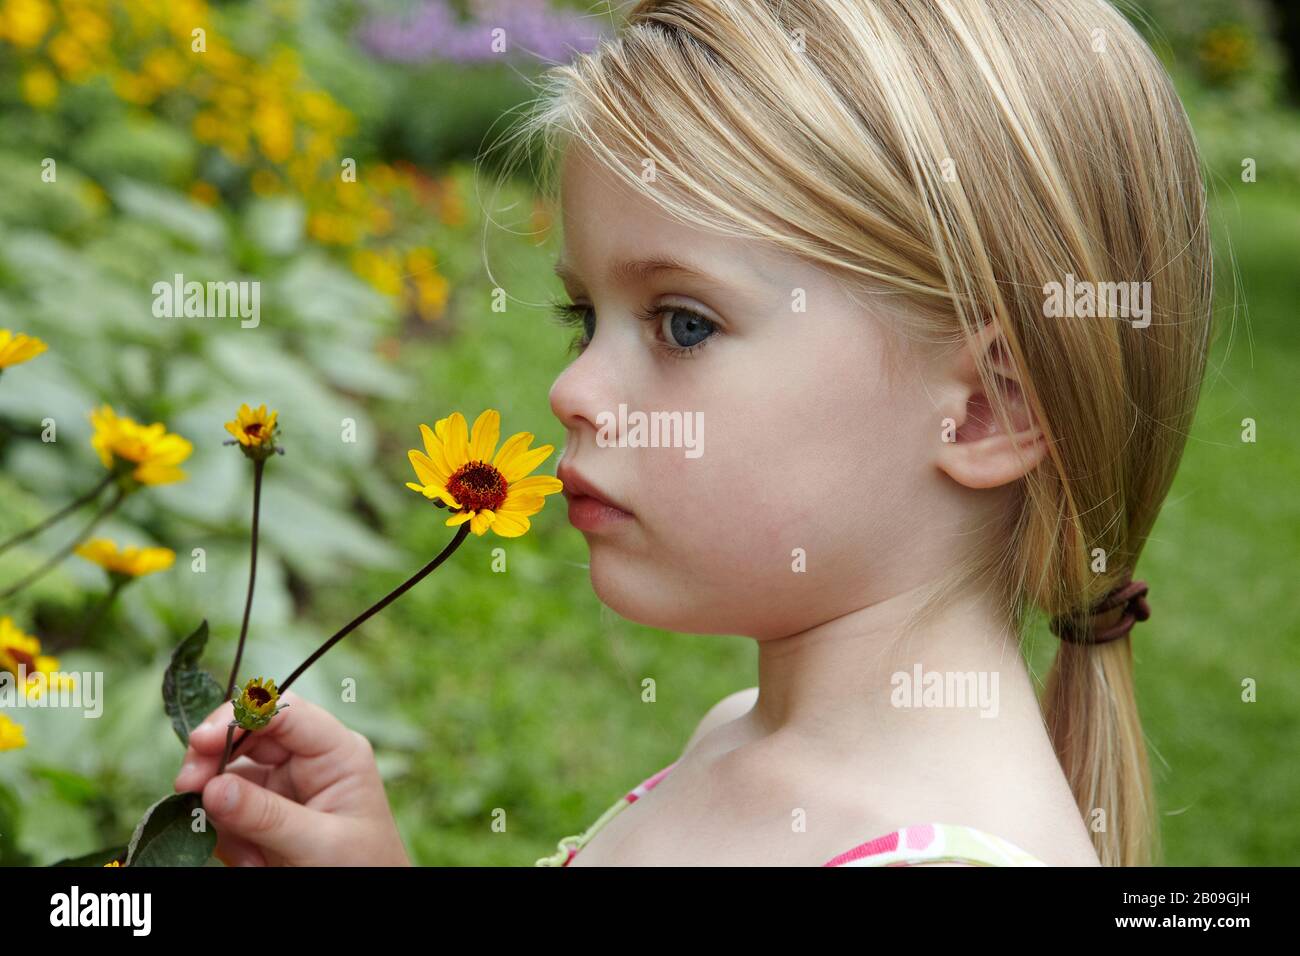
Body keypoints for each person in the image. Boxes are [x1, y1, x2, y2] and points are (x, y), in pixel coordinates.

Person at [174, 0, 1212, 867]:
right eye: (584, 318)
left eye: (683, 323)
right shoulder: (739, 735)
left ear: (986, 408)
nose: (573, 388)